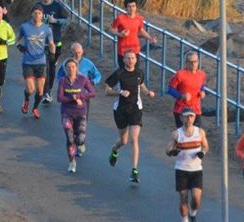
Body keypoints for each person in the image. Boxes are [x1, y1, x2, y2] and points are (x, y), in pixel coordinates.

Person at [105, 50, 156, 184]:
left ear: (136, 60)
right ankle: (114, 150)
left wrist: (148, 93)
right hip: (120, 110)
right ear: (123, 60)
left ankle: (134, 170)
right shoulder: (119, 73)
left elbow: (142, 86)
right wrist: (120, 92)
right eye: (128, 58)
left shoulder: (139, 73)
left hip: (135, 109)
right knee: (124, 140)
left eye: (133, 58)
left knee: (134, 139)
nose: (130, 60)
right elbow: (107, 90)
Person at [166, 106, 209, 222]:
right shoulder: (177, 134)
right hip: (181, 170)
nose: (189, 119)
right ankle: (184, 219)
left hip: (196, 170)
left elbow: (205, 145)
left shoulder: (200, 132)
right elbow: (168, 149)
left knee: (196, 198)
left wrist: (202, 153)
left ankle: (193, 213)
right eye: (186, 117)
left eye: (191, 116)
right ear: (181, 118)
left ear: (194, 118)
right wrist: (172, 152)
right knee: (183, 198)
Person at [57, 58, 96, 173]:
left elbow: (92, 93)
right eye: (68, 67)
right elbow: (59, 98)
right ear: (65, 69)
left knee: (79, 139)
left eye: (73, 67)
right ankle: (72, 162)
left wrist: (80, 97)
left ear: (77, 68)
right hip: (67, 112)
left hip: (80, 112)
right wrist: (71, 98)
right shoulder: (63, 81)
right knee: (69, 139)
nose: (71, 69)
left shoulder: (83, 79)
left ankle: (80, 143)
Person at [33, 0, 70, 105]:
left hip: (56, 41)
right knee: (45, 67)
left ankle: (48, 89)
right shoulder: (37, 6)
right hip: (42, 42)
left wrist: (56, 21)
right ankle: (47, 92)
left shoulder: (57, 6)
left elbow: (67, 19)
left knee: (52, 67)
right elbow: (31, 19)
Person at [16, 7, 56, 119]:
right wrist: (19, 46)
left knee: (40, 90)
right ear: (31, 14)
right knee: (30, 89)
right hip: (28, 61)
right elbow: (17, 38)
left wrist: (52, 54)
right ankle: (26, 100)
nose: (37, 15)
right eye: (35, 13)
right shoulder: (25, 26)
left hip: (41, 62)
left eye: (39, 13)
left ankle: (35, 108)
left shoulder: (47, 29)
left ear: (42, 15)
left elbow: (52, 43)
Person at [110, 0, 157, 69]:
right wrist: (120, 34)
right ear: (126, 8)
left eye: (133, 6)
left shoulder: (139, 18)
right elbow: (112, 29)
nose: (132, 8)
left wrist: (150, 38)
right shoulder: (120, 18)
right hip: (123, 50)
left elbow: (141, 30)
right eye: (129, 6)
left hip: (135, 49)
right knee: (124, 71)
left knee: (135, 71)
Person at [168, 50, 207, 128]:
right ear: (186, 63)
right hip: (181, 108)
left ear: (198, 62)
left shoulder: (201, 74)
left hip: (196, 108)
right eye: (191, 62)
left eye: (195, 61)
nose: (193, 64)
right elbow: (170, 89)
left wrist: (202, 92)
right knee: (183, 135)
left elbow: (201, 86)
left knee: (196, 133)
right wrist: (181, 96)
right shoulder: (180, 74)